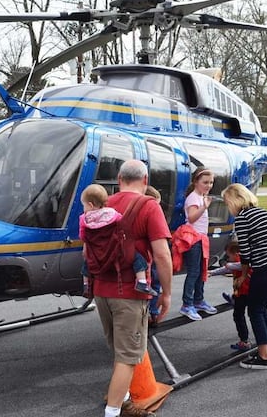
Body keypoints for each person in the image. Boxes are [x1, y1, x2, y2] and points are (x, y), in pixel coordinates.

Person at [92, 159, 173, 417]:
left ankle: (123, 398)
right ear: (146, 180)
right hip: (130, 292)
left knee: (118, 350)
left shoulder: (104, 204)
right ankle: (114, 412)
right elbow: (162, 255)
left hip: (101, 289)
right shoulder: (149, 205)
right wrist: (167, 294)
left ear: (119, 178)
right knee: (128, 357)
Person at [221, 183, 267, 370]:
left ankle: (263, 357)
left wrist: (242, 276)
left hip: (265, 268)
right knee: (262, 307)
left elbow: (246, 252)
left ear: (235, 200)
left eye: (228, 202)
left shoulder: (242, 218)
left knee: (255, 310)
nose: (228, 207)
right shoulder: (263, 212)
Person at [79, 184, 156, 298]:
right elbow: (122, 224)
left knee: (87, 263)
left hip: (95, 252)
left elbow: (83, 236)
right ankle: (142, 282)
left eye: (84, 206)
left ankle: (86, 284)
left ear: (90, 204)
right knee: (138, 259)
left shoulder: (84, 220)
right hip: (114, 250)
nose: (84, 209)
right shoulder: (112, 214)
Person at [175, 167, 218, 321]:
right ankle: (187, 304)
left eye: (211, 182)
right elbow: (192, 218)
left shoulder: (201, 197)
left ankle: (198, 300)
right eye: (205, 182)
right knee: (194, 272)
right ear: (196, 182)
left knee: (201, 271)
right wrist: (204, 207)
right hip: (193, 239)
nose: (209, 185)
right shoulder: (194, 198)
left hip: (200, 238)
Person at [208, 239, 253, 351]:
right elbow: (225, 269)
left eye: (229, 256)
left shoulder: (242, 262)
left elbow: (232, 266)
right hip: (241, 292)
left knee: (238, 316)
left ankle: (244, 341)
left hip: (245, 293)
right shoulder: (240, 261)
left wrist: (228, 265)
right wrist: (212, 272)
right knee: (241, 312)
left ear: (236, 254)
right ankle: (233, 298)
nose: (228, 258)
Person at [144, 186, 164, 325]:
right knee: (153, 285)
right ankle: (152, 313)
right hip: (149, 258)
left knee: (155, 284)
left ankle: (153, 313)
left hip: (152, 257)